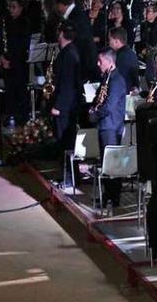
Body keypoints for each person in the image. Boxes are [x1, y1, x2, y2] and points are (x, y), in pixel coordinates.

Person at [90, 49, 127, 213]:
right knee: (106, 164)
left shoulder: (117, 80)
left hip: (111, 127)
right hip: (105, 125)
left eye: (100, 61)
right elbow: (99, 97)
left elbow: (110, 106)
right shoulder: (107, 77)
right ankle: (107, 196)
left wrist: (95, 115)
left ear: (109, 62)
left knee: (112, 165)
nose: (98, 64)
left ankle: (112, 198)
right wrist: (92, 108)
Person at [0, 0, 31, 125]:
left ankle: (22, 118)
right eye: (9, 7)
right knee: (9, 90)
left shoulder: (25, 23)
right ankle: (9, 114)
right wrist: (2, 58)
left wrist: (10, 60)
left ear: (20, 9)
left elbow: (22, 45)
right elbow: (1, 42)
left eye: (14, 7)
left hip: (20, 63)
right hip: (7, 61)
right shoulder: (6, 22)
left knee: (21, 91)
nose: (11, 9)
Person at [52, 21, 82, 156]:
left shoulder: (69, 54)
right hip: (66, 104)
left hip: (65, 106)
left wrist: (58, 106)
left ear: (61, 34)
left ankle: (65, 169)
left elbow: (68, 84)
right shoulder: (69, 51)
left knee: (64, 139)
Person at [53, 0, 97, 81]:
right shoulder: (77, 13)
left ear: (60, 4)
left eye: (55, 5)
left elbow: (79, 41)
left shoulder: (75, 16)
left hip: (83, 62)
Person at [108, 27, 139, 94]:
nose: (109, 43)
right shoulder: (131, 53)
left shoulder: (120, 57)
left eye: (110, 40)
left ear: (117, 41)